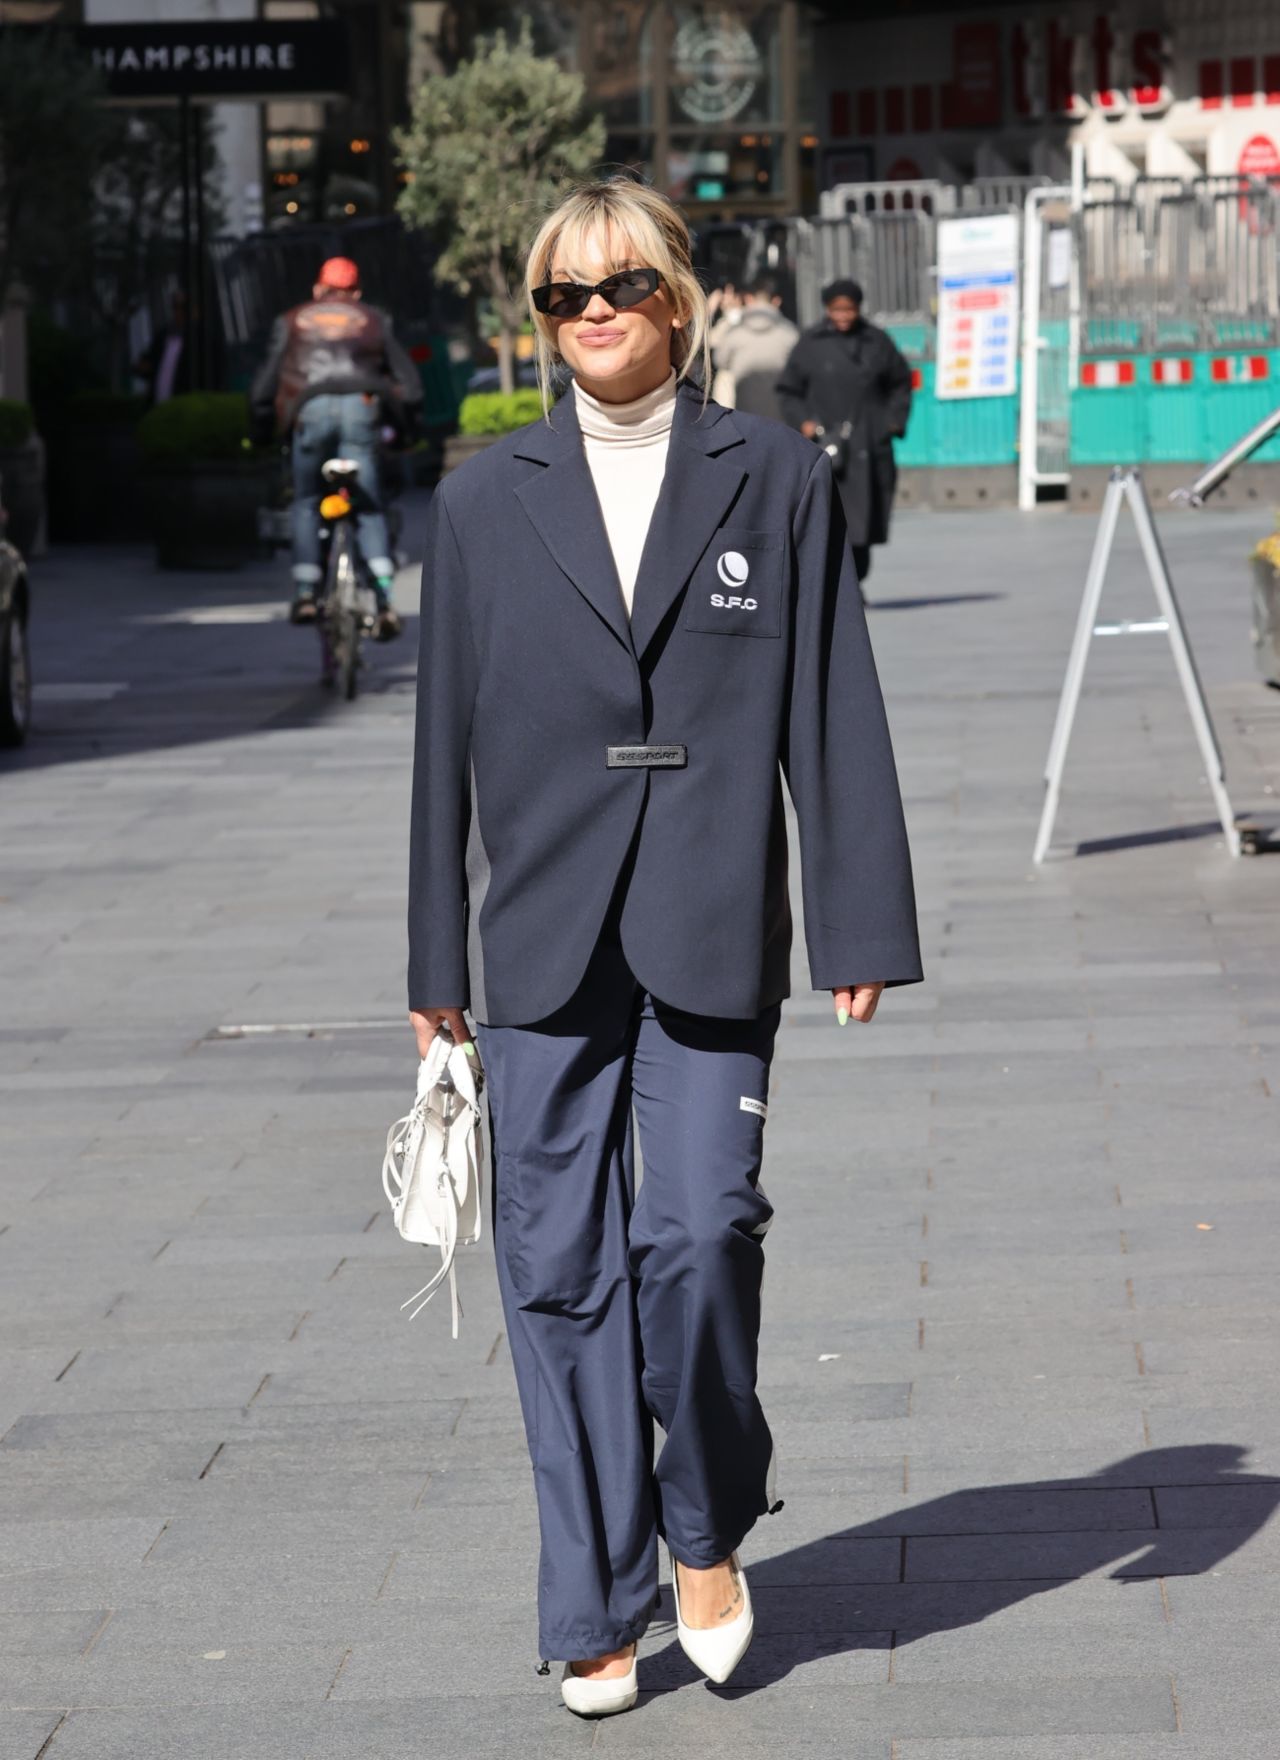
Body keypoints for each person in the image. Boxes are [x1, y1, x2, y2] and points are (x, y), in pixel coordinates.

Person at [406, 176, 921, 1718]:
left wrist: (858, 918)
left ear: (679, 296)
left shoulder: (769, 473)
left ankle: (705, 1522)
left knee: (696, 1237)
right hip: (541, 940)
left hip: (709, 920)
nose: (593, 314)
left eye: (621, 284)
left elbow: (833, 698)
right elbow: (439, 746)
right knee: (554, 1275)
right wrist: (438, 966)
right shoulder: (480, 500)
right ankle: (593, 1598)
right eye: (564, 295)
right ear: (541, 317)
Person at [250, 256, 423, 639]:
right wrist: (409, 430)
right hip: (362, 409)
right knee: (369, 505)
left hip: (307, 410)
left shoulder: (292, 319)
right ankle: (384, 598)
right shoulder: (373, 319)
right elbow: (409, 385)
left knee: (307, 500)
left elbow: (265, 385)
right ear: (356, 292)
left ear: (318, 289)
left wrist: (262, 429)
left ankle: (307, 591)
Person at [776, 276, 913, 594]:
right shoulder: (810, 344)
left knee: (864, 523)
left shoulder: (876, 341)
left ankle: (856, 579)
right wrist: (805, 424)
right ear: (827, 309)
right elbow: (788, 391)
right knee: (831, 517)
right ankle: (842, 586)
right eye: (836, 309)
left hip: (868, 443)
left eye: (848, 309)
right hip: (825, 447)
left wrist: (892, 422)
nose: (843, 316)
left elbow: (900, 382)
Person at [708, 272, 799, 422]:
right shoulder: (789, 334)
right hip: (781, 417)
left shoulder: (734, 332)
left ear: (748, 299)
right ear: (776, 301)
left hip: (743, 415)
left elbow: (720, 360)